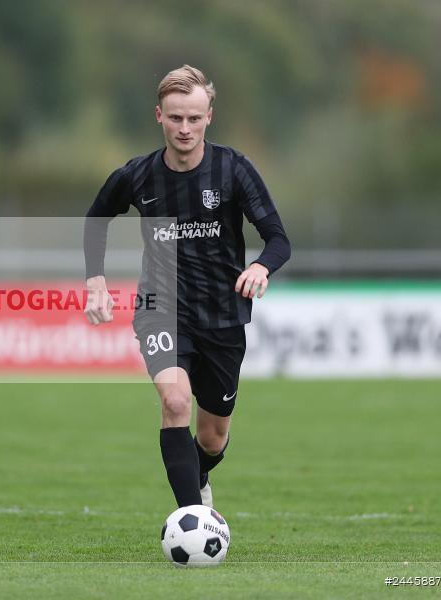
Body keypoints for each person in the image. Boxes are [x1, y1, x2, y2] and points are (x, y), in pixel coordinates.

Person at [83, 65, 290, 510]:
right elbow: (97, 218)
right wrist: (95, 278)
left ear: (209, 116)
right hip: (161, 308)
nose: (185, 128)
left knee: (213, 439)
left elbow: (279, 239)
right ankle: (191, 518)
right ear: (159, 115)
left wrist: (261, 267)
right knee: (176, 403)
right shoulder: (138, 175)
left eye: (194, 118)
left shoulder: (233, 169)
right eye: (175, 117)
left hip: (223, 315)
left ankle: (199, 475)